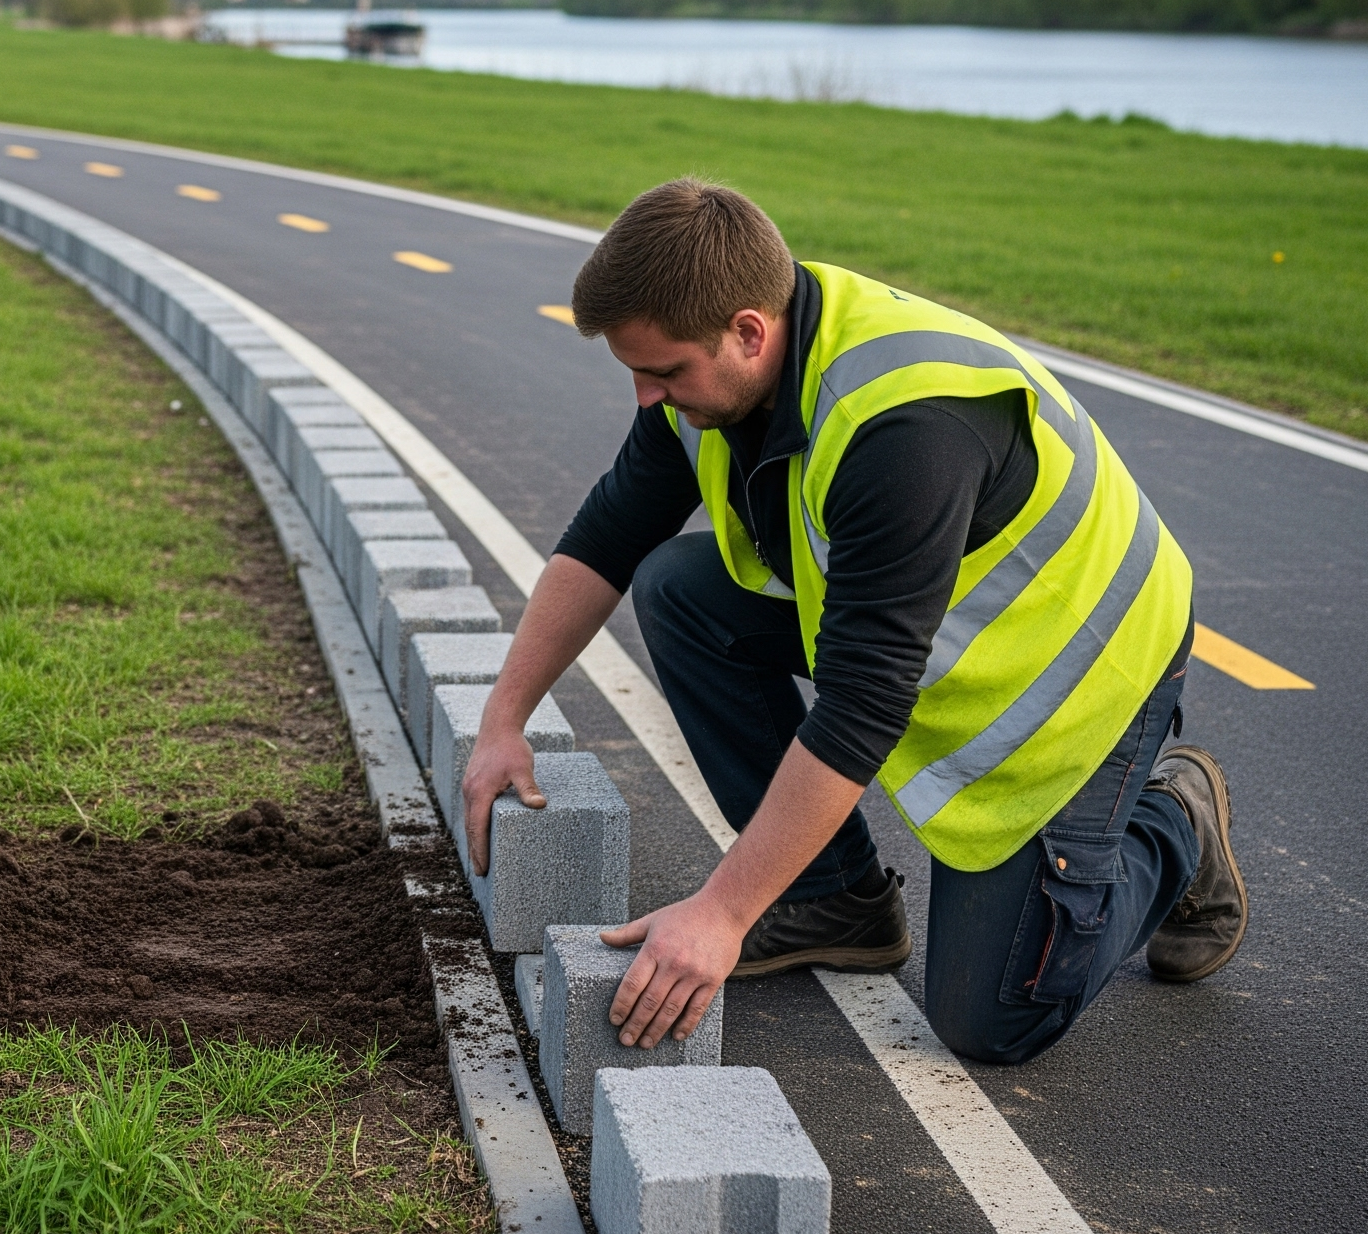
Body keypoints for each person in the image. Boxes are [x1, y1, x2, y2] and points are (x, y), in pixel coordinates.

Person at [461, 179, 1246, 1067]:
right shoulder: (724, 364)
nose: (647, 397)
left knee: (991, 1021)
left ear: (747, 331)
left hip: (1087, 668)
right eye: (635, 373)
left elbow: (863, 704)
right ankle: (833, 900)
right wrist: (502, 721)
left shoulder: (904, 426)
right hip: (926, 640)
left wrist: (721, 912)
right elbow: (605, 538)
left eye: (665, 372)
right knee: (677, 587)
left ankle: (1175, 820)